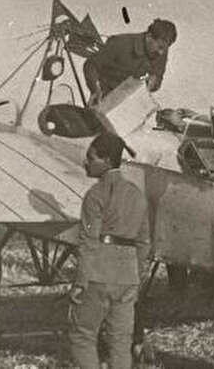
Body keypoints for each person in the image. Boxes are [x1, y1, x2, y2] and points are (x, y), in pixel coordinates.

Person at [68, 132, 150, 369]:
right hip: (127, 276)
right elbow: (144, 241)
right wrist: (136, 272)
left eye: (91, 158)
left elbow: (88, 241)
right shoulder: (136, 194)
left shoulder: (95, 195)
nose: (86, 162)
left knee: (82, 335)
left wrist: (80, 282)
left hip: (98, 274)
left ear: (106, 161)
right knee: (121, 341)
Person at [83, 19, 176, 105]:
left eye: (164, 49)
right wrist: (95, 89)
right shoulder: (121, 43)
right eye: (159, 47)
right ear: (149, 36)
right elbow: (91, 65)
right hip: (104, 98)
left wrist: (152, 83)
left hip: (130, 103)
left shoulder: (160, 51)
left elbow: (158, 75)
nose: (161, 53)